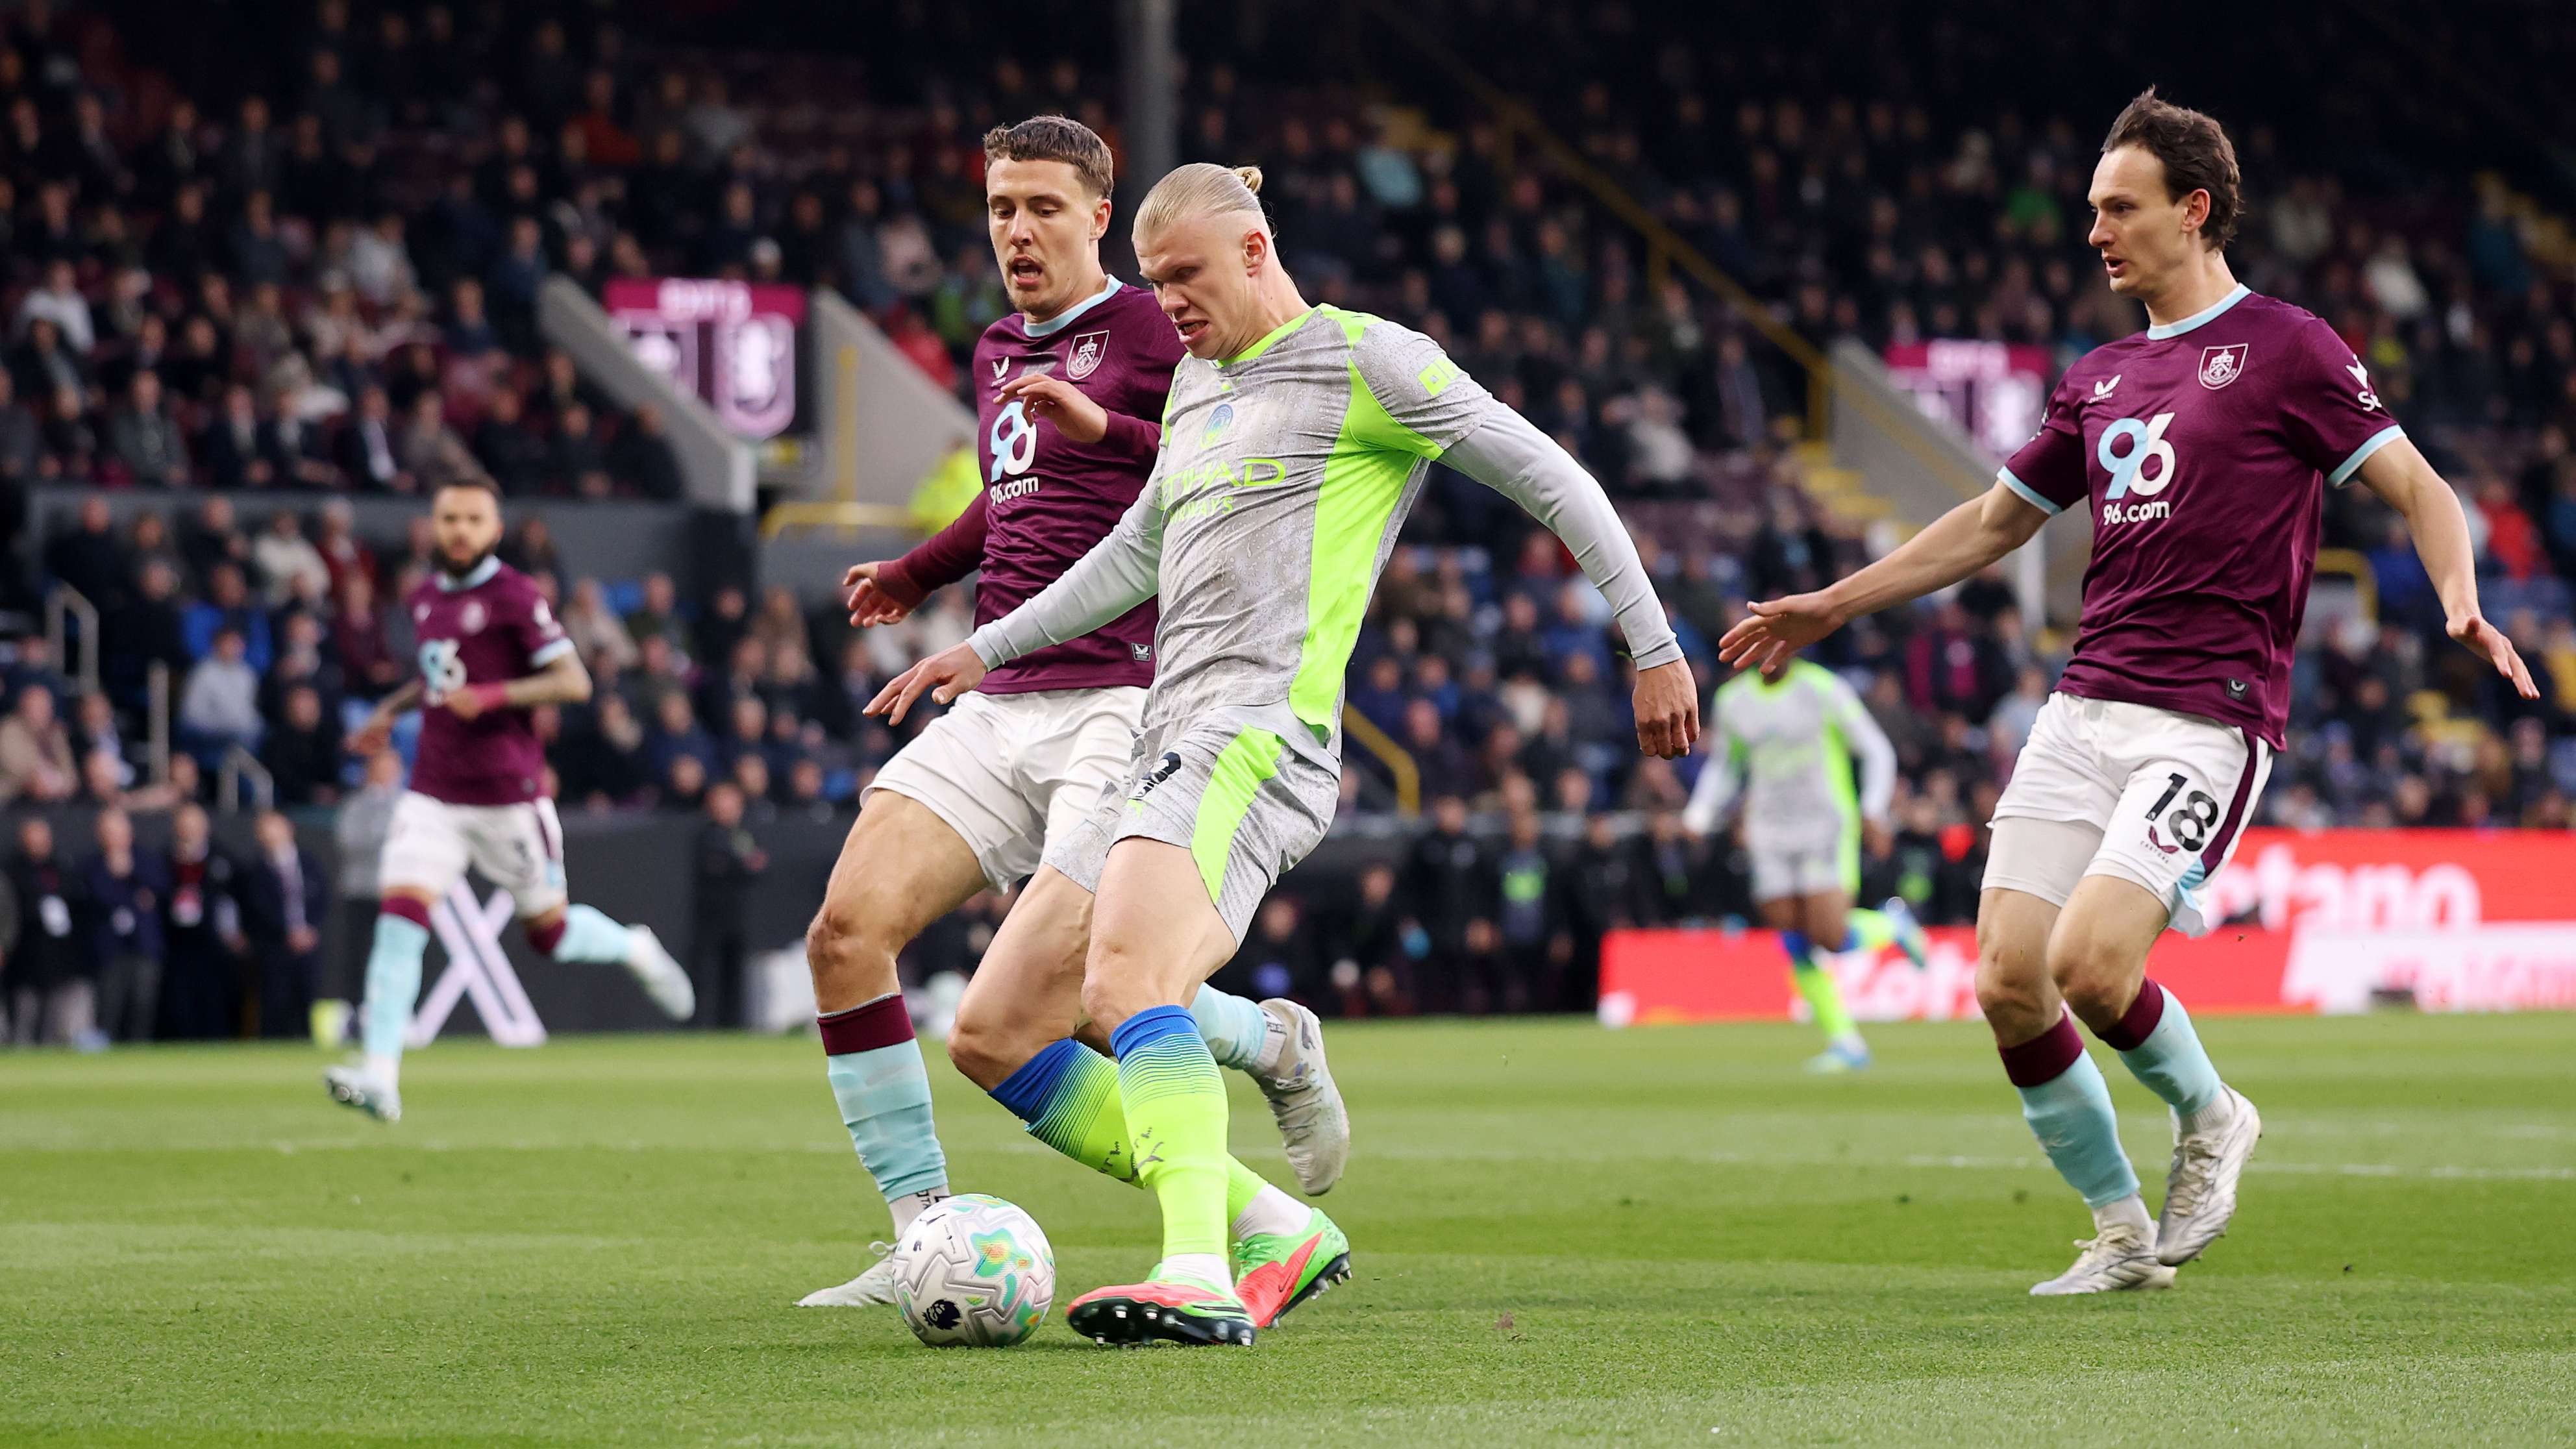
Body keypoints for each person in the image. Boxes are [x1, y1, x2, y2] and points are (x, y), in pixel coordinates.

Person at [1718, 90, 2537, 1295]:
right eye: (2093, 209)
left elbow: (2418, 488)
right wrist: (1833, 603)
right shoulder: (2097, 375)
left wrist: (2458, 597)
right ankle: (2117, 1235)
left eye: (2118, 208)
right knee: (2004, 974)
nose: (2093, 231)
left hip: (2207, 716)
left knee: (2095, 965)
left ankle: (2211, 1117)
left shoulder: (2290, 349)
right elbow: (1995, 521)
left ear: (2192, 210)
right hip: (2082, 704)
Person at [874, 160, 1697, 1344]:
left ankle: (1197, 1269)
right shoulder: (1200, 387)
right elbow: (1130, 552)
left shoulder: (1371, 360)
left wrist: (1651, 641)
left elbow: (1552, 478)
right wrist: (983, 648)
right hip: (1159, 736)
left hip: (1257, 735)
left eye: (1186, 278)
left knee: (1123, 987)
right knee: (997, 1031)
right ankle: (1272, 1146)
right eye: (1153, 285)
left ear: (1256, 250)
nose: (1169, 307)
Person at [794, 117, 1346, 1311]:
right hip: (1005, 693)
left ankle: (1257, 1072)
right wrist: (916, 575)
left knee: (1074, 1000)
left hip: (1129, 695)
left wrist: (1114, 430)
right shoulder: (998, 345)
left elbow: (1217, 457)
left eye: (1043, 207)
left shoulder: (1160, 322)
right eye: (1000, 209)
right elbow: (1014, 494)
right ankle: (922, 1233)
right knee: (844, 935)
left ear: (1101, 215)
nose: (1017, 231)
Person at [324, 480, 695, 1123]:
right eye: (449, 518)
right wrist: (388, 710)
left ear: (494, 529)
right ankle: (381, 1075)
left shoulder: (515, 596)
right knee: (399, 919)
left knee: (549, 933)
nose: (460, 529)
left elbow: (572, 680)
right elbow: (438, 678)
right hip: (432, 794)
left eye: (473, 518)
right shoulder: (423, 598)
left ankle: (635, 948)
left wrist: (491, 699)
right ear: (434, 527)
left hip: (507, 800)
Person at [1682, 660, 1930, 1072]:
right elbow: (1727, 763)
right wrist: (1700, 814)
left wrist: (1873, 809)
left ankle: (1893, 926)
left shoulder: (1823, 688)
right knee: (1790, 932)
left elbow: (1875, 749)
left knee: (1830, 934)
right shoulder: (1733, 701)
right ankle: (1845, 1042)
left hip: (1824, 825)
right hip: (1768, 830)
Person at [81, 808, 167, 1045]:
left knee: (143, 1002)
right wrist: (131, 893)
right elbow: (97, 897)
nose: (114, 837)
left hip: (143, 945)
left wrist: (130, 873)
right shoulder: (92, 865)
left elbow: (159, 890)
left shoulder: (146, 860)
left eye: (118, 832)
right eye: (108, 832)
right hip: (110, 949)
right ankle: (107, 1047)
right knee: (110, 1003)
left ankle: (139, 1048)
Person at [157, 803, 243, 1041]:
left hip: (213, 943)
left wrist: (234, 932)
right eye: (185, 826)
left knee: (214, 998)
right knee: (180, 1000)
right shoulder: (165, 859)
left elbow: (234, 899)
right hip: (177, 943)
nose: (189, 831)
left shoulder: (222, 858)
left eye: (194, 825)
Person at [242, 810, 330, 1040]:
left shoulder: (309, 863)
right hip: (275, 946)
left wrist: (308, 929)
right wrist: (287, 932)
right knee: (275, 1002)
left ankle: (307, 1043)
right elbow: (258, 908)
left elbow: (322, 898)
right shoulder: (255, 871)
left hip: (308, 943)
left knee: (307, 998)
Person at [690, 780, 765, 1028]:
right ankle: (698, 1028)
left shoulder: (743, 835)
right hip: (710, 919)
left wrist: (741, 864)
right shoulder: (706, 835)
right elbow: (724, 866)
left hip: (737, 918)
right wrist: (741, 864)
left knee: (735, 977)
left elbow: (756, 866)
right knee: (705, 976)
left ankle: (733, 1027)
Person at [6, 817, 87, 1046]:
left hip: (59, 956)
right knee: (25, 1015)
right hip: (26, 956)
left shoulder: (62, 867)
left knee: (56, 1018)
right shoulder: (14, 871)